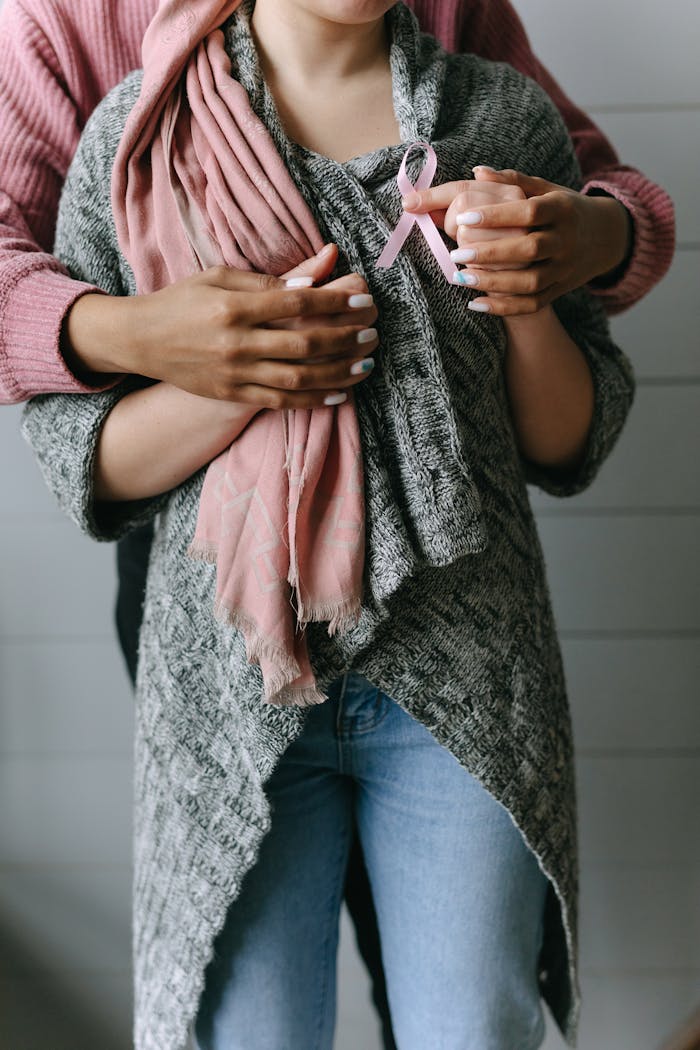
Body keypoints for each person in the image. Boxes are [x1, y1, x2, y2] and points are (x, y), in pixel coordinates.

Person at [0, 1, 673, 1048]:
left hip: (467, 677)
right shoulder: (140, 140)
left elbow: (566, 430)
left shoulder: (495, 119)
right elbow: (86, 455)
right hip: (231, 674)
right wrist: (201, 365)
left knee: (472, 1026)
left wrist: (538, 281)